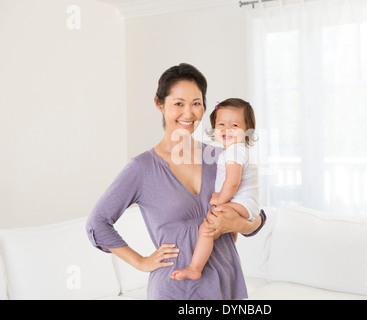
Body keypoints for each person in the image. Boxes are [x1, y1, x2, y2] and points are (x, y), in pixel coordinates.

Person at [85, 63, 266, 300]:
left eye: (196, 103)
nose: (189, 113)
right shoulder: (142, 168)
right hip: (175, 289)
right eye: (178, 103)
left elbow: (258, 216)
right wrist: (141, 261)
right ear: (159, 104)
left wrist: (239, 225)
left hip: (227, 283)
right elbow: (97, 223)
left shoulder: (222, 157)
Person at [171, 98, 259, 281]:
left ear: (247, 129)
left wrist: (220, 199)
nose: (227, 129)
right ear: (214, 127)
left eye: (234, 125)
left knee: (206, 228)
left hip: (241, 203)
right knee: (223, 232)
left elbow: (232, 182)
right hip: (247, 204)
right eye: (221, 124)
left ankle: (195, 267)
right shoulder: (238, 150)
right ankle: (228, 255)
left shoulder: (235, 151)